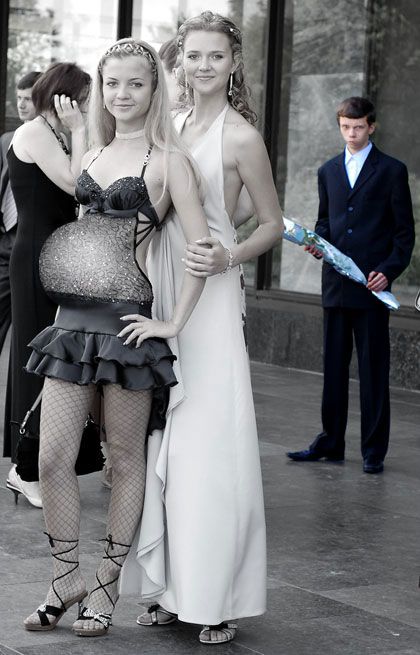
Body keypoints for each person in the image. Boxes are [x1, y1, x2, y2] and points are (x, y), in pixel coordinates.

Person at [22, 38, 209, 637]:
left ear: (154, 90)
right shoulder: (95, 152)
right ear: (99, 89)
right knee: (52, 458)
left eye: (136, 83)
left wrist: (172, 323)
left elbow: (202, 250)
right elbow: (84, 234)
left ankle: (104, 584)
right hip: (72, 326)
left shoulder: (171, 162)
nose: (122, 94)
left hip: (127, 328)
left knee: (124, 459)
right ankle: (64, 577)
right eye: (112, 83)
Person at [123, 11, 283, 645]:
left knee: (210, 447)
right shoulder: (172, 123)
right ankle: (169, 589)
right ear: (180, 61)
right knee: (163, 441)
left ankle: (215, 599)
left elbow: (270, 222)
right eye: (193, 55)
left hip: (211, 296)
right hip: (161, 284)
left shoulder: (242, 136)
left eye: (216, 56)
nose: (204, 66)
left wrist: (229, 256)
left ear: (234, 63)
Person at [287, 96, 415, 474]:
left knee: (373, 371)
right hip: (335, 286)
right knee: (333, 370)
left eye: (359, 127)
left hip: (372, 287)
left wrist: (388, 271)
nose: (352, 134)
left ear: (371, 126)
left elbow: (404, 234)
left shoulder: (392, 170)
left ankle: (373, 451)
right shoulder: (327, 171)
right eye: (346, 127)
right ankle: (331, 442)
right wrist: (317, 243)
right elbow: (325, 222)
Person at [4, 63, 91, 508]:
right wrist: (80, 131)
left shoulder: (55, 135)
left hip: (55, 254)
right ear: (65, 98)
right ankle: (25, 469)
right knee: (34, 357)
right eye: (85, 100)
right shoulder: (36, 132)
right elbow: (78, 186)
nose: (88, 108)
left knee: (51, 356)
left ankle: (40, 461)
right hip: (37, 255)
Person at [0, 71, 41, 355]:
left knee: (26, 330)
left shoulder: (56, 142)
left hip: (30, 240)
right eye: (19, 98)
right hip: (5, 238)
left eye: (29, 99)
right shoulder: (6, 139)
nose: (22, 105)